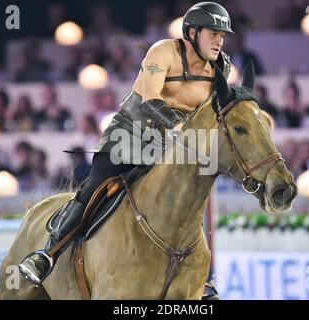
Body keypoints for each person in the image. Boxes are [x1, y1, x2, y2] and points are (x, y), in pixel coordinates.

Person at [18, 2, 234, 297]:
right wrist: (179, 127)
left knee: (186, 197)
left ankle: (197, 277)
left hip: (173, 146)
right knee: (93, 188)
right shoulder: (163, 51)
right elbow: (149, 97)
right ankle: (47, 255)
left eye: (223, 34)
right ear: (192, 33)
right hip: (131, 134)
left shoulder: (222, 66)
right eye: (213, 33)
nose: (220, 40)